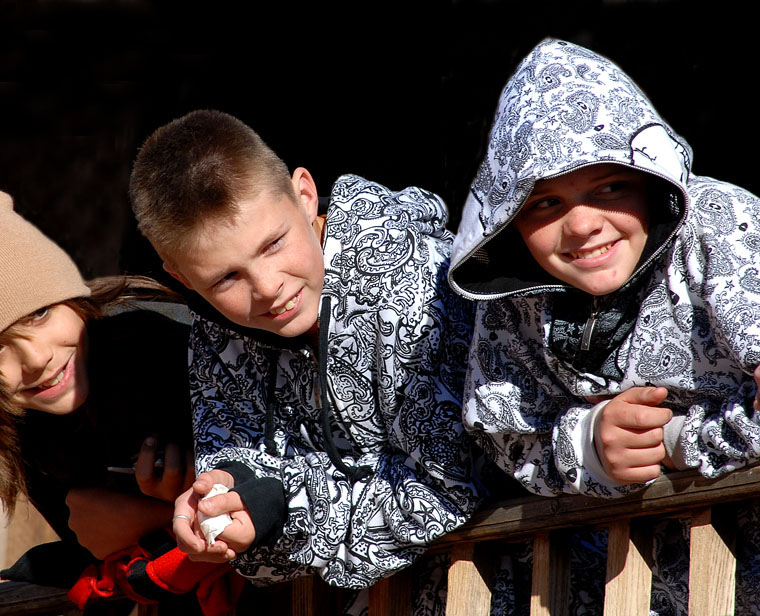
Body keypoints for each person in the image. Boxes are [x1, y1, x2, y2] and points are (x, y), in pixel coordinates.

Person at [128, 110, 487, 611]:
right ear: (184, 279)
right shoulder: (216, 333)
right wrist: (230, 493)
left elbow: (444, 490)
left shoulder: (415, 289)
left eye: (273, 244)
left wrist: (281, 508)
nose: (267, 286)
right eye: (226, 278)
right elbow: (244, 463)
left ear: (305, 194)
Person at [448, 39, 760, 613]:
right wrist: (587, 445)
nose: (583, 226)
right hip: (613, 589)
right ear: (510, 221)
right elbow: (503, 432)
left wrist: (672, 444)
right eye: (544, 205)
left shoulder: (722, 230)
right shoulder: (512, 308)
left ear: (652, 180)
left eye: (609, 187)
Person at [0, 179, 243, 614]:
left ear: (71, 298)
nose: (37, 358)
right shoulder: (25, 425)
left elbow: (300, 488)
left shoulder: (166, 346)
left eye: (40, 312)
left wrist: (149, 521)